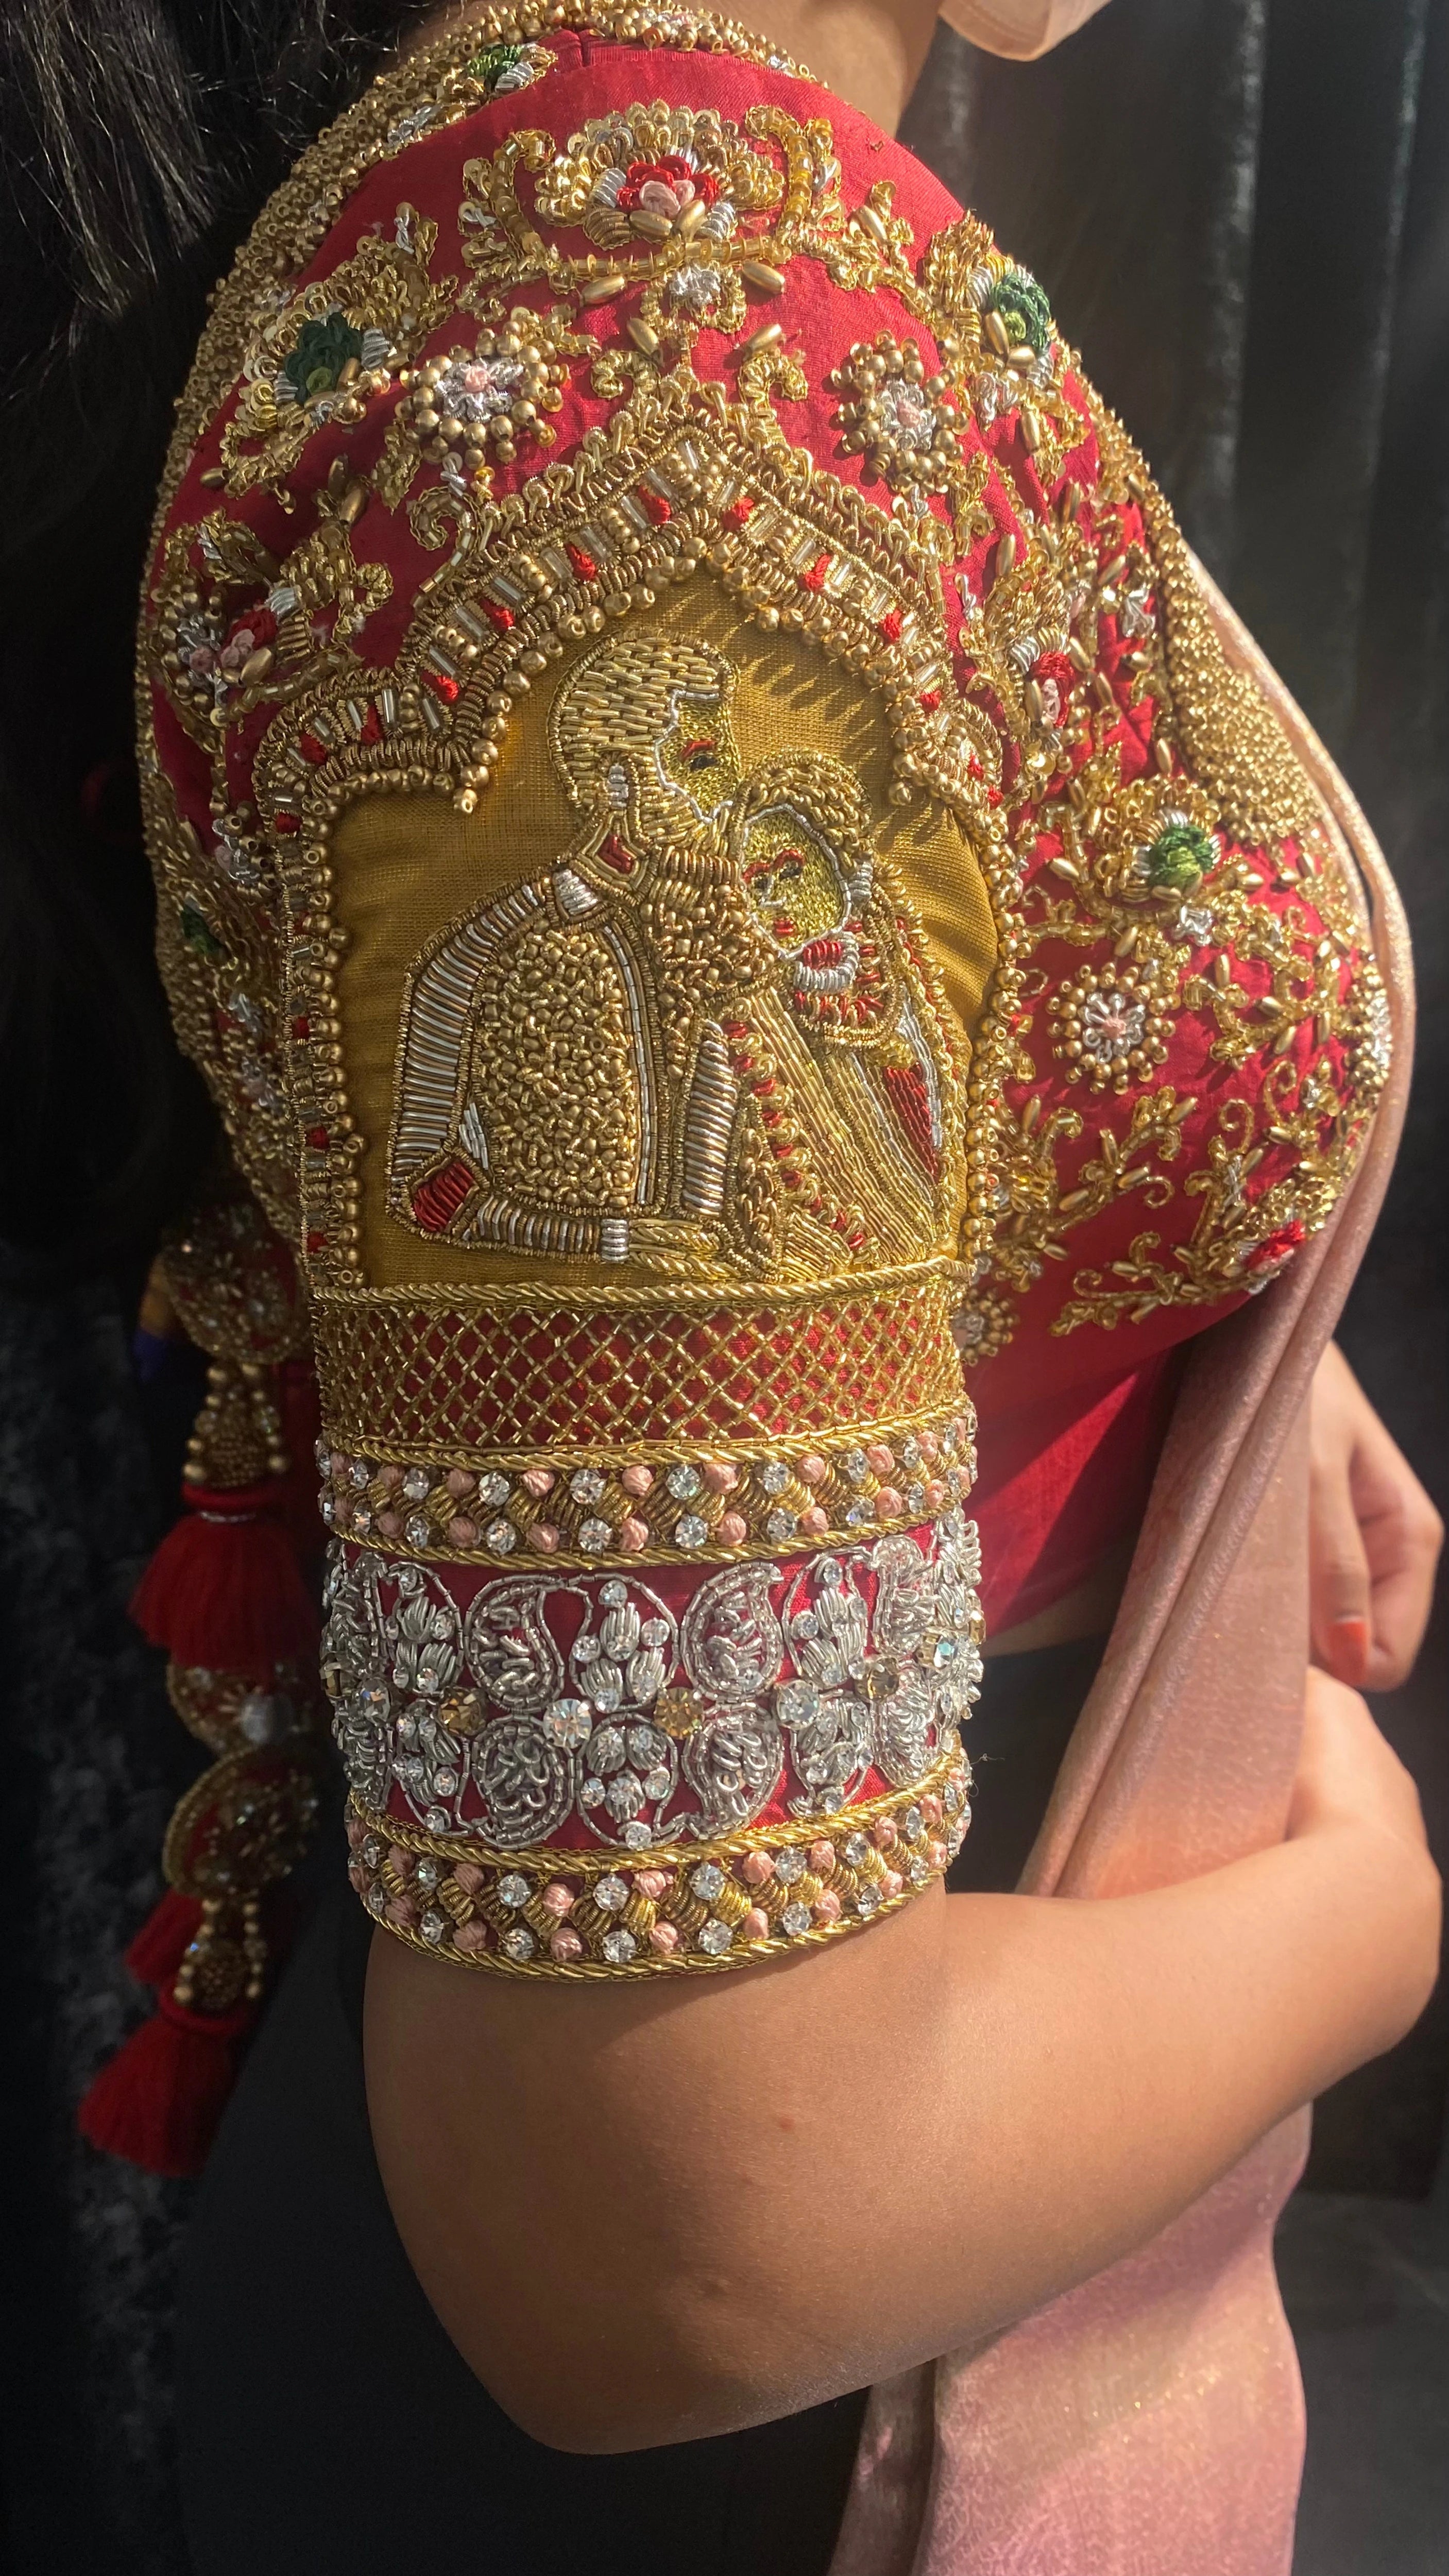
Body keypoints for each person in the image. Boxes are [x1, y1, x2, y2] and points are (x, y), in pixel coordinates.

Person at [2, 4, 1438, 2571]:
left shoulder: (581, 221)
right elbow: (672, 2218)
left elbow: (972, 998)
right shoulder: (677, 377)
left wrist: (1199, 1281)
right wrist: (1362, 1922)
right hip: (786, 2398)